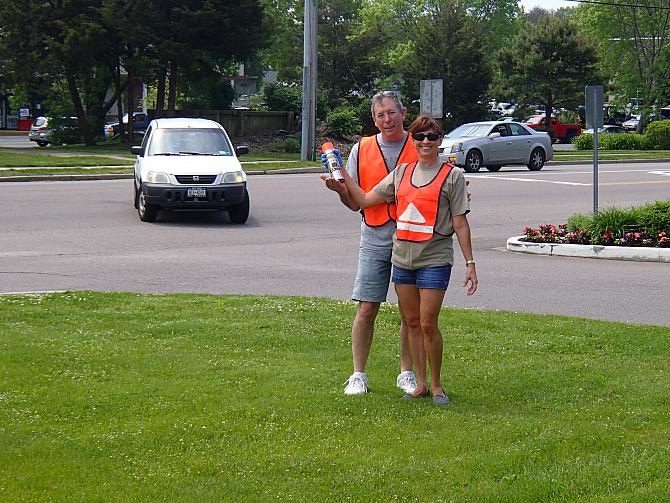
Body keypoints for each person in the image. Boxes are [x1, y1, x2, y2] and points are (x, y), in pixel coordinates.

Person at [338, 115, 478, 405]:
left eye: (431, 137)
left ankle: (437, 384)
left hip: (435, 258)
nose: (425, 142)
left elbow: (460, 223)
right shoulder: (401, 173)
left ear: (440, 141)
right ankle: (421, 384)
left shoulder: (452, 176)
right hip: (403, 259)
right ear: (412, 141)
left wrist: (470, 264)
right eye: (420, 137)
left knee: (428, 323)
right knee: (412, 321)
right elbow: (364, 200)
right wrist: (341, 178)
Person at [321, 91, 419, 396]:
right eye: (380, 115)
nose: (387, 119)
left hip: (411, 237)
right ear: (373, 119)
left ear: (403, 113)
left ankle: (407, 373)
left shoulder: (420, 144)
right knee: (366, 307)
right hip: (374, 235)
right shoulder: (360, 150)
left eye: (391, 112)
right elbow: (355, 204)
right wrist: (338, 190)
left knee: (409, 310)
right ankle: (358, 375)